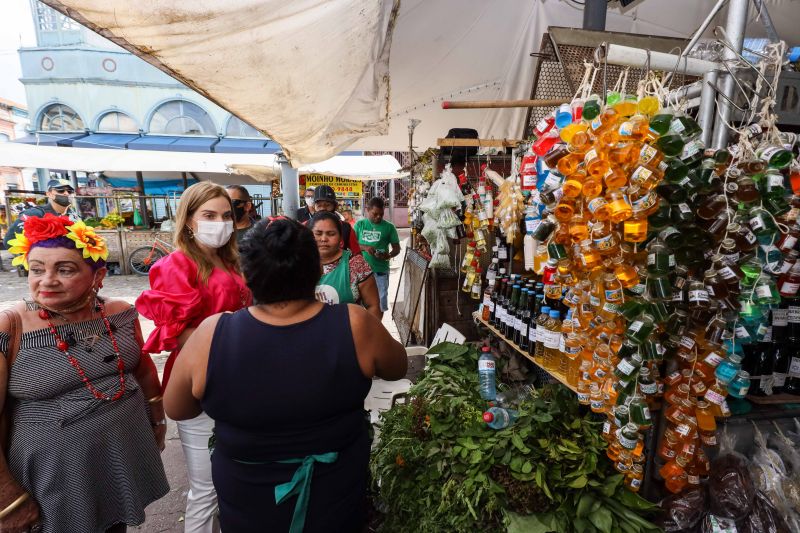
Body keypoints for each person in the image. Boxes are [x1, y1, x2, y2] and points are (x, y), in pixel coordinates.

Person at [163, 217, 407, 533]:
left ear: (246, 275)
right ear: (317, 269)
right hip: (336, 494)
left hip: (247, 502)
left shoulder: (212, 334)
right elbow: (397, 367)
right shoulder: (355, 323)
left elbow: (177, 407)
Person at [0, 213, 169, 533]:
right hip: (54, 475)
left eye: (64, 269)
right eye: (37, 269)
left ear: (98, 275)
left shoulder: (120, 313)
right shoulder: (11, 326)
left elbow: (144, 370)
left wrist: (157, 420)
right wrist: (7, 499)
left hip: (120, 454)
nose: (47, 280)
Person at [136, 182, 252, 533]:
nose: (220, 223)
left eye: (226, 215)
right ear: (188, 220)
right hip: (200, 379)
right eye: (209, 215)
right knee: (207, 488)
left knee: (237, 478)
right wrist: (230, 333)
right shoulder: (176, 265)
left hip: (240, 376)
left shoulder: (232, 260)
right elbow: (174, 333)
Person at [311, 212, 382, 318]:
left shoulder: (356, 264)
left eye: (331, 234)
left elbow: (373, 306)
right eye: (318, 233)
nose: (324, 239)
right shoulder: (297, 263)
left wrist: (367, 328)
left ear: (341, 238)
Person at [354, 197, 401, 314]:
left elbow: (397, 248)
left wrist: (388, 255)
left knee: (380, 302)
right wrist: (365, 247)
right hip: (361, 271)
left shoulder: (389, 227)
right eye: (375, 214)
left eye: (381, 214)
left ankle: (377, 323)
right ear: (367, 210)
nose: (378, 217)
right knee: (360, 302)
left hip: (380, 271)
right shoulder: (359, 225)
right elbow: (352, 245)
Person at [4, 179, 80, 249]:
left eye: (70, 191)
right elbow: (10, 241)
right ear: (49, 194)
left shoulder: (73, 215)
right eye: (61, 190)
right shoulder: (34, 214)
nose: (66, 193)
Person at [311, 185, 361, 255]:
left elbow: (357, 253)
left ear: (335, 206)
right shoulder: (305, 227)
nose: (323, 209)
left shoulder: (346, 228)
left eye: (327, 205)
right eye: (319, 206)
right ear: (314, 207)